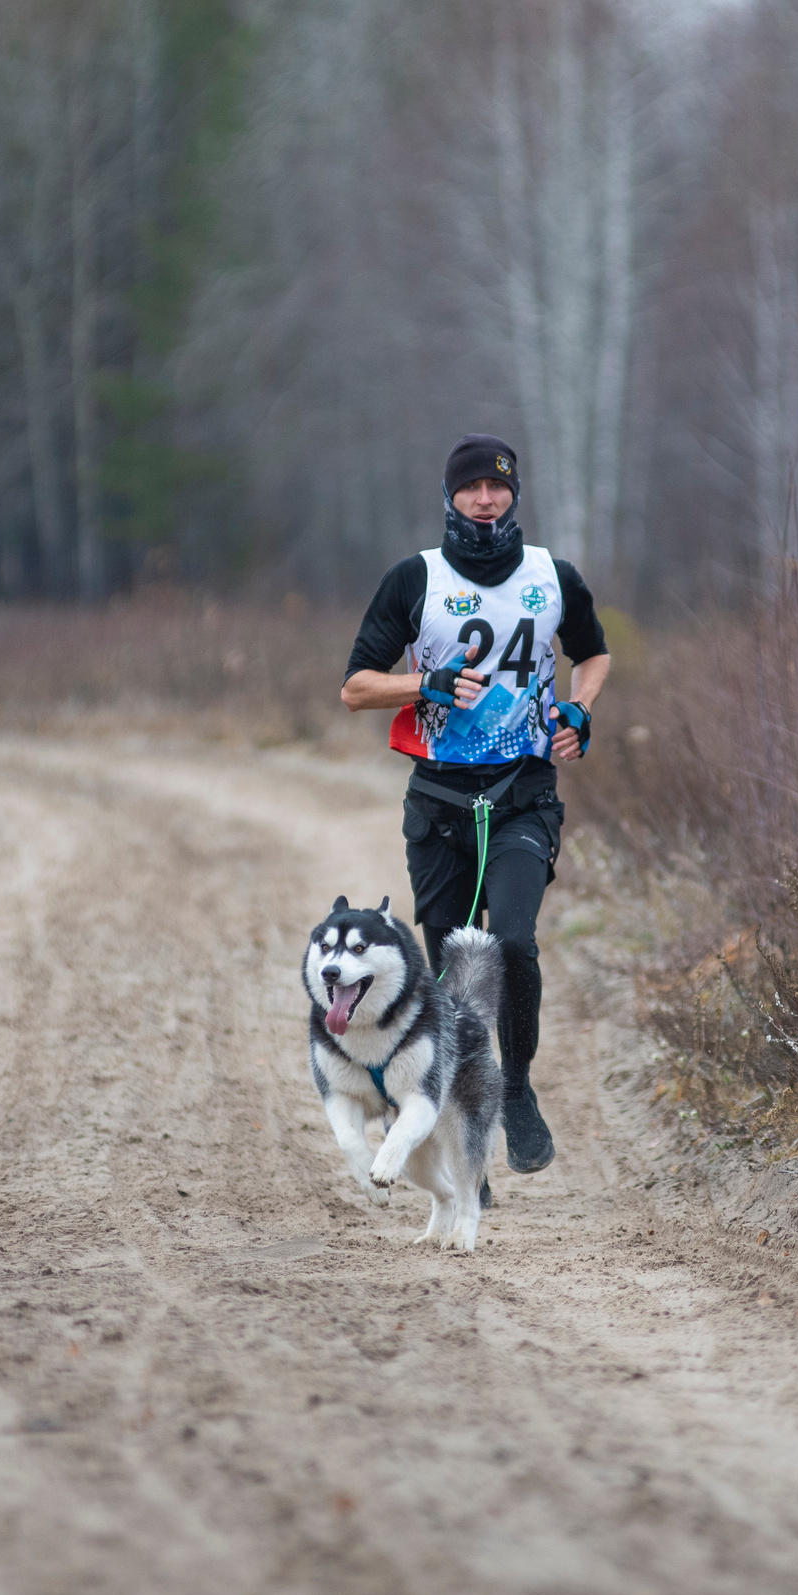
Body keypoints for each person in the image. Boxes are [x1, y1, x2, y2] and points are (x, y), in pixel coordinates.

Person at [340, 434, 612, 1174]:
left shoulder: (551, 576)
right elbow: (356, 685)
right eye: (471, 490)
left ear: (514, 494)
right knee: (457, 978)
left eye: (498, 488)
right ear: (450, 497)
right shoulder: (415, 580)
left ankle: (517, 1088)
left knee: (514, 944)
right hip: (439, 803)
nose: (486, 500)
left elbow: (594, 652)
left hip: (524, 793)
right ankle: (467, 1132)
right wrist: (420, 685)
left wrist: (578, 709)